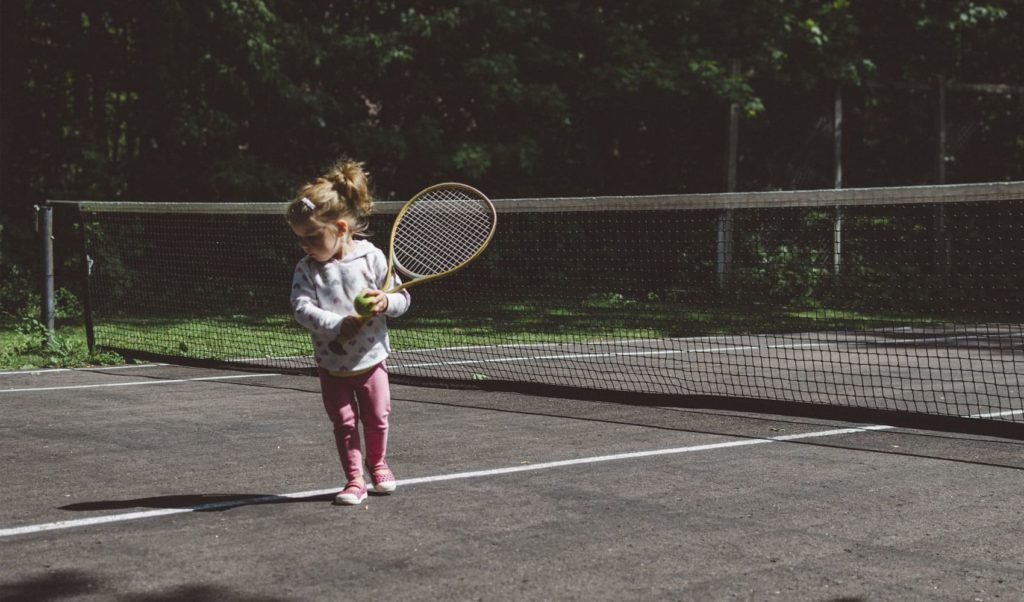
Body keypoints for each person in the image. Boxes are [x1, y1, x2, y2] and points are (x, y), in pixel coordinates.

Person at [286, 159, 410, 506]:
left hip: (371, 361)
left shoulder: (371, 258)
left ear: (340, 227)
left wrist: (386, 302)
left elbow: (403, 299)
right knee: (344, 423)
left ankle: (378, 464)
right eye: (300, 239)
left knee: (378, 418)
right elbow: (301, 309)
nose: (306, 245)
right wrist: (337, 324)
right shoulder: (307, 269)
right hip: (332, 365)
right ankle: (354, 480)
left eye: (312, 237)